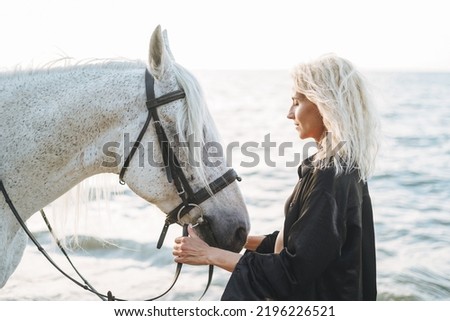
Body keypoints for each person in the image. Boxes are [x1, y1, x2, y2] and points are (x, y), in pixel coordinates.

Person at [173, 53, 379, 300]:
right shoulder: (341, 166)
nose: (290, 114)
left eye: (297, 102)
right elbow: (303, 246)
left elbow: (292, 273)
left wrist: (209, 255)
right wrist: (227, 240)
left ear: (327, 105)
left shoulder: (331, 175)